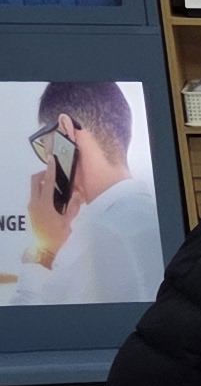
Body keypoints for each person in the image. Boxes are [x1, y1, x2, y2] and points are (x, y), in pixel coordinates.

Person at [14, 79, 163, 307]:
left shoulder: (96, 237)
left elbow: (26, 325)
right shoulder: (154, 219)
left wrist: (44, 251)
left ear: (66, 130)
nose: (47, 160)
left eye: (45, 146)